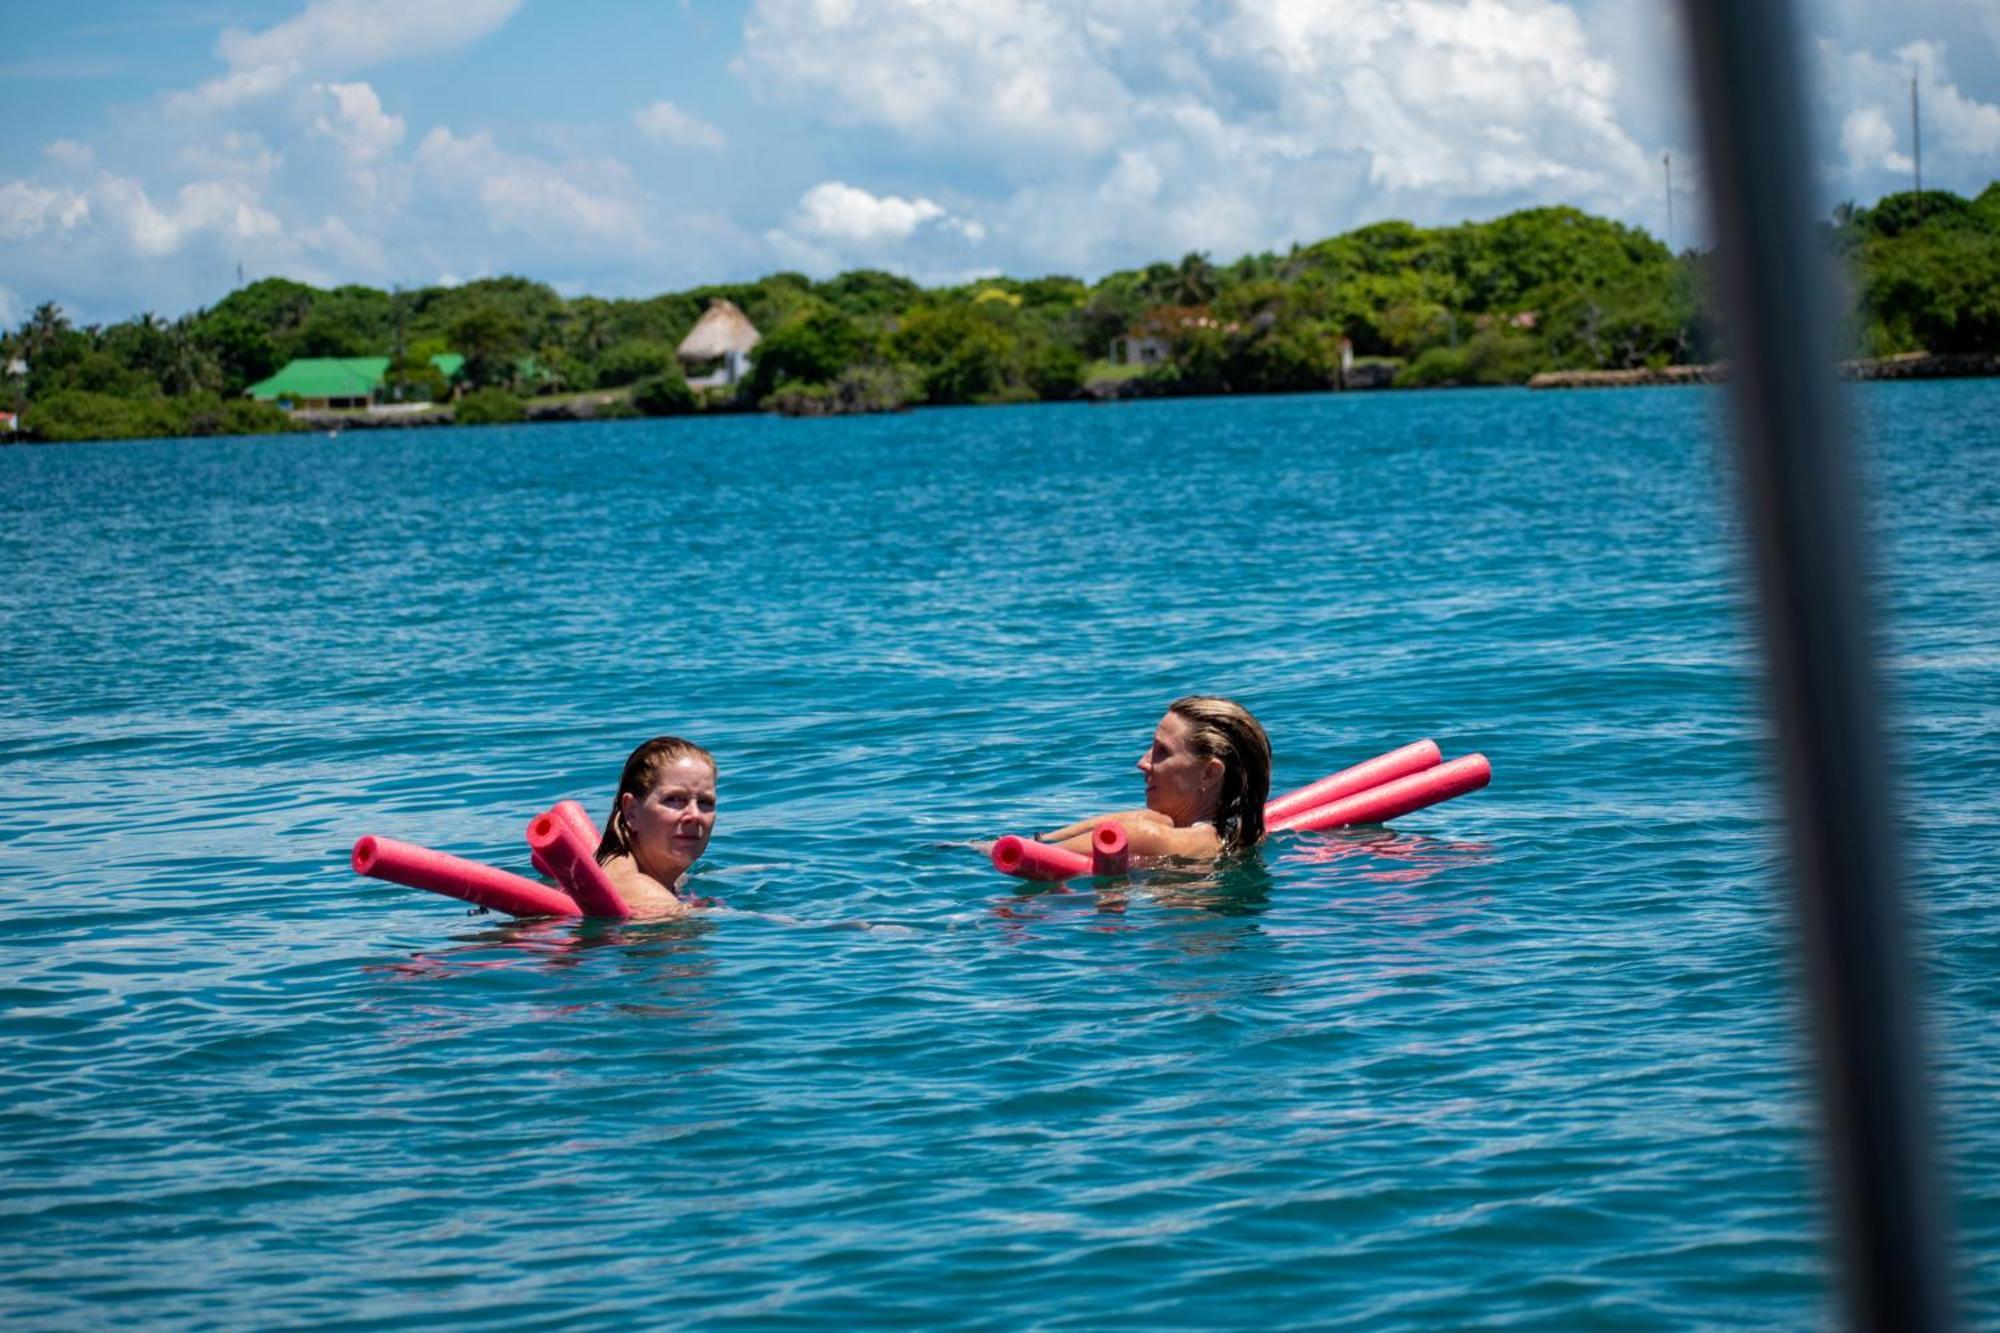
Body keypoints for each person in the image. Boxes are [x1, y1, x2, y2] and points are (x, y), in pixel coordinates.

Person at [1037, 695, 1271, 860]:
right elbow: (1138, 819)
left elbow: (1025, 859)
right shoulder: (1241, 835)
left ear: (1209, 774)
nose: (1143, 763)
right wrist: (1045, 838)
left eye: (1163, 752)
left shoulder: (1151, 840)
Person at [594, 736, 718, 915]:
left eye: (705, 802)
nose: (695, 815)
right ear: (631, 811)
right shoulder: (636, 889)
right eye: (673, 799)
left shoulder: (623, 863)